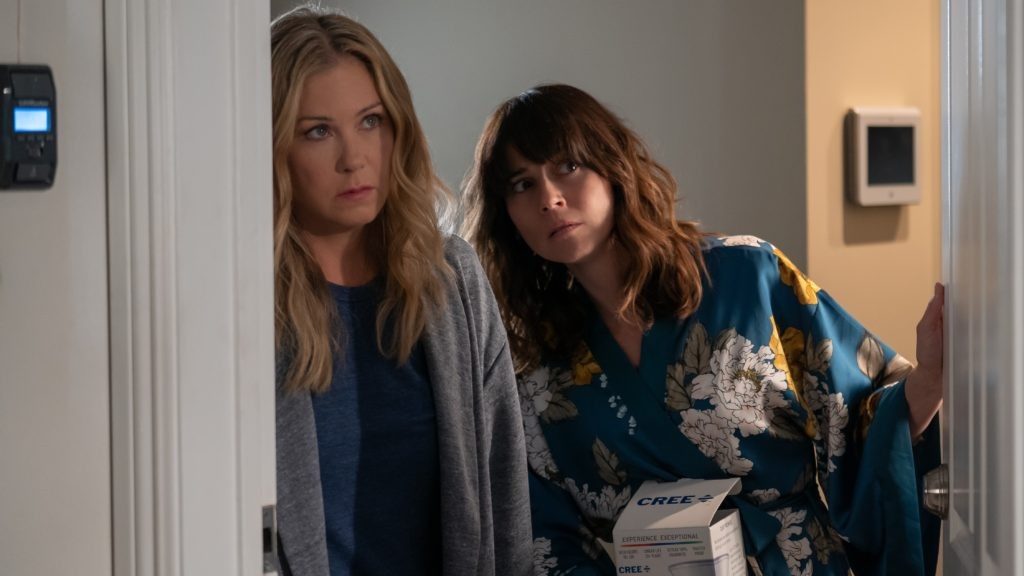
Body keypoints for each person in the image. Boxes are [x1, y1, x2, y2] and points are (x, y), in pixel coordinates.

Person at [461, 83, 943, 576]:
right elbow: (544, 538)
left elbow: (863, 414)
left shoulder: (746, 276)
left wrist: (932, 375)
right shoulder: (531, 363)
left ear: (612, 167)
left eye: (568, 166)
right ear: (506, 213)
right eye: (522, 184)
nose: (549, 198)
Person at [269, 7, 531, 575]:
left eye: (371, 121)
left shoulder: (452, 281)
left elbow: (504, 484)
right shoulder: (246, 301)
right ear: (273, 147)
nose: (354, 159)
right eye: (318, 131)